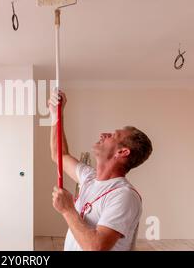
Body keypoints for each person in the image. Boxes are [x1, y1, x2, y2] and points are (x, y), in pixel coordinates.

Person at [49, 90, 153, 251]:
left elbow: (96, 248)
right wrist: (56, 114)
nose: (103, 134)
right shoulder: (89, 178)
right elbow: (59, 155)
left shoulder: (124, 196)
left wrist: (68, 210)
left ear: (122, 152)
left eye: (113, 135)